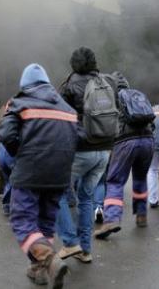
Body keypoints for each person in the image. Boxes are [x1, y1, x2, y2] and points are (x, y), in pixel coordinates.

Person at [0, 63, 78, 288]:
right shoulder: (68, 109)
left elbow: (5, 134)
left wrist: (18, 153)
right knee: (45, 222)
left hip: (29, 172)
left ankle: (49, 260)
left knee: (22, 220)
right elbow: (77, 138)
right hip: (59, 176)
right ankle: (39, 270)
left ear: (25, 84)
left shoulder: (20, 103)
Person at [55, 47, 117, 264]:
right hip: (105, 150)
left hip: (81, 148)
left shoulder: (70, 85)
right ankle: (85, 250)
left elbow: (58, 114)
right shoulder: (107, 82)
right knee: (86, 197)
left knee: (56, 192)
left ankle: (70, 242)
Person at [94, 80, 155, 239]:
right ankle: (141, 215)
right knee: (141, 178)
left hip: (126, 141)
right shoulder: (138, 96)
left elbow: (108, 124)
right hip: (148, 140)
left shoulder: (113, 99)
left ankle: (112, 220)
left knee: (115, 181)